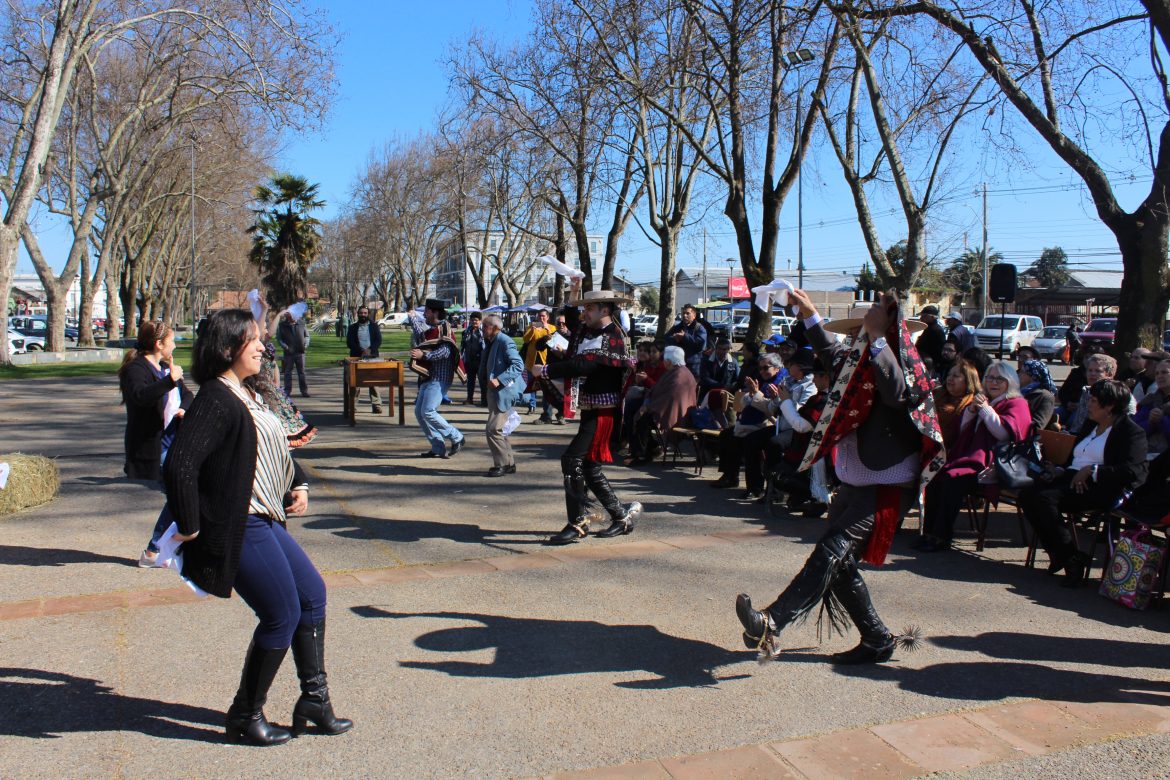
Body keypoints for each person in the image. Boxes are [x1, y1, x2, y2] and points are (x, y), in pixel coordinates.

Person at [164, 309, 351, 746]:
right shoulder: (215, 398)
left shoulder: (248, 393)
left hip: (267, 518)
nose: (263, 347)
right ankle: (244, 715)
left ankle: (314, 701)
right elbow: (181, 466)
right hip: (241, 524)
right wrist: (190, 526)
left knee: (312, 596)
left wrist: (298, 481)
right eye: (254, 341)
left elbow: (270, 445)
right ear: (228, 348)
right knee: (281, 615)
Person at [735, 290, 943, 665]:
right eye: (854, 335)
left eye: (860, 334)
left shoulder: (907, 366)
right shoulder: (858, 362)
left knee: (832, 554)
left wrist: (879, 338)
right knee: (839, 563)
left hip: (888, 483)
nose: (853, 342)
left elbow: (896, 394)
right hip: (856, 478)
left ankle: (771, 621)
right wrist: (810, 313)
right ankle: (878, 639)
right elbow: (830, 352)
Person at [1018, 379, 1147, 586]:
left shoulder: (1131, 432)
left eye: (1094, 401)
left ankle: (1069, 560)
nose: (1089, 404)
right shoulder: (1091, 425)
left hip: (1100, 487)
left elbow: (1135, 471)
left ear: (1110, 405)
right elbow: (1076, 459)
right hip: (1072, 480)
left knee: (1044, 499)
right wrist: (1060, 470)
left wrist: (1093, 471)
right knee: (1027, 495)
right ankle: (1066, 555)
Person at [540, 288, 642, 544]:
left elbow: (584, 364)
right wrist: (573, 293)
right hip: (591, 409)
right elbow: (574, 333)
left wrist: (547, 369)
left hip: (604, 412)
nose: (584, 312)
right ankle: (621, 517)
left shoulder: (613, 336)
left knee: (572, 460)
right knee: (588, 466)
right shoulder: (589, 332)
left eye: (589, 308)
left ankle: (578, 523)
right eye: (584, 308)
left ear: (604, 310)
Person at [916, 361, 1033, 552]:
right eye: (989, 378)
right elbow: (964, 432)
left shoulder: (1016, 403)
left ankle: (941, 536)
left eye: (999, 379)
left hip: (994, 466)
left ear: (1010, 382)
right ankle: (928, 533)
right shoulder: (986, 400)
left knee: (952, 480)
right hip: (972, 459)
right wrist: (971, 411)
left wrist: (985, 410)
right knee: (935, 476)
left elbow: (1003, 434)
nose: (993, 382)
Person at [119, 321, 191, 482]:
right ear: (159, 344)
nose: (174, 346)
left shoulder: (165, 367)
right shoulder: (136, 369)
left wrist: (182, 409)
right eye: (172, 341)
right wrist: (170, 380)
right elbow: (141, 396)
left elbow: (187, 395)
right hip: (149, 448)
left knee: (179, 490)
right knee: (175, 489)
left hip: (172, 441)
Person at [765, 356, 832, 515]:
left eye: (816, 376)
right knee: (775, 471)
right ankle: (804, 497)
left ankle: (815, 497)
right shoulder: (818, 398)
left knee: (779, 476)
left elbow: (802, 426)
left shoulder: (826, 400)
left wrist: (786, 401)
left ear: (826, 377)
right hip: (803, 449)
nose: (813, 379)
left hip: (816, 455)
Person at [711, 353, 787, 493]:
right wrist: (751, 394)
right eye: (760, 368)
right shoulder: (764, 379)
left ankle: (755, 487)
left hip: (768, 423)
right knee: (726, 435)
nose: (762, 371)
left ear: (777, 368)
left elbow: (771, 409)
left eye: (766, 368)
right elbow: (746, 398)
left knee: (745, 442)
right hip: (753, 421)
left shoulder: (780, 382)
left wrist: (755, 394)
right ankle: (730, 476)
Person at [408, 299, 465, 459]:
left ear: (434, 312)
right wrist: (412, 317)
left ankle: (457, 437)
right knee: (420, 413)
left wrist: (423, 354)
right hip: (428, 377)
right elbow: (422, 337)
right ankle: (438, 447)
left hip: (440, 377)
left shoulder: (445, 328)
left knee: (428, 411)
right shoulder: (432, 329)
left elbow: (446, 351)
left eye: (426, 311)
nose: (424, 314)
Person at [628, 345, 697, 465]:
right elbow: (658, 390)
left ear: (669, 361)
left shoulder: (679, 376)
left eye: (664, 359)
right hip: (668, 409)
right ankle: (650, 449)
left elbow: (668, 398)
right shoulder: (677, 371)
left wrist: (648, 407)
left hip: (676, 415)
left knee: (641, 419)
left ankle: (642, 456)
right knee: (635, 409)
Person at [479, 313, 524, 477]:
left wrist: (500, 380)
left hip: (503, 392)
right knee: (500, 430)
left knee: (493, 429)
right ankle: (509, 463)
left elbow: (518, 365)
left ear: (496, 328)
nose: (482, 329)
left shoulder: (505, 341)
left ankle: (501, 464)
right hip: (494, 392)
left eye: (486, 326)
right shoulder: (491, 342)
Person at [1068, 353, 1135, 431]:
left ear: (1110, 375)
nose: (1092, 374)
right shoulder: (1087, 391)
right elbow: (1078, 425)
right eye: (1090, 370)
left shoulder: (1120, 395)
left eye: (1097, 371)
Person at [931, 360, 979, 449]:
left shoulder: (972, 405)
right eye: (949, 375)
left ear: (969, 381)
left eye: (956, 376)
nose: (950, 378)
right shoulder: (936, 394)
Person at [346, 306, 383, 414]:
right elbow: (350, 342)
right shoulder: (352, 327)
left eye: (365, 313)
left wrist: (370, 349)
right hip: (357, 357)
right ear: (358, 314)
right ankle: (352, 406)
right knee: (355, 383)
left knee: (373, 382)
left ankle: (377, 405)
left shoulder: (374, 326)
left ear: (368, 314)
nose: (363, 315)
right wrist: (361, 351)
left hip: (372, 357)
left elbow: (378, 340)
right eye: (361, 313)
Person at [522, 308, 557, 419]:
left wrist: (547, 329)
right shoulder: (532, 326)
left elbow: (554, 341)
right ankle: (532, 406)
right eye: (539, 316)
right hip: (532, 359)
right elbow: (526, 340)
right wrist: (532, 330)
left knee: (546, 386)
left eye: (543, 316)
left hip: (545, 360)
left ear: (548, 317)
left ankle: (546, 410)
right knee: (532, 384)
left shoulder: (552, 328)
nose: (541, 318)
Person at [1134, 358, 1170, 456]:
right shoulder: (1150, 400)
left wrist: (1162, 420)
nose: (1159, 376)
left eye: (1164, 372)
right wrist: (1150, 422)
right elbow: (1135, 429)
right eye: (1157, 373)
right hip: (1148, 454)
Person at [666, 303, 708, 377]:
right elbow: (667, 339)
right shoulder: (677, 327)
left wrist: (684, 337)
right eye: (683, 313)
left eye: (687, 313)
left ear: (694, 315)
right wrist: (675, 339)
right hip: (678, 364)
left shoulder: (699, 328)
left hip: (694, 366)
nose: (685, 315)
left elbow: (700, 344)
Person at [276, 310, 310, 398]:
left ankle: (304, 391)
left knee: (301, 372)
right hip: (288, 353)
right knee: (288, 372)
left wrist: (306, 344)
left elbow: (307, 335)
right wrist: (284, 346)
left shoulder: (302, 323)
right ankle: (287, 391)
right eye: (290, 316)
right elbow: (279, 338)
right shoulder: (282, 325)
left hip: (300, 352)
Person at [1018, 358, 1057, 430]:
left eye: (1022, 372)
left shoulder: (1045, 397)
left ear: (1033, 376)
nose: (1018, 374)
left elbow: (1038, 426)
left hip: (1023, 436)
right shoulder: (1015, 391)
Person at [461, 312, 486, 406]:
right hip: (469, 360)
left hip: (480, 360)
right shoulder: (466, 331)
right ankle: (469, 398)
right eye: (472, 320)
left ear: (480, 321)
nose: (474, 322)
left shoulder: (484, 331)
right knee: (470, 381)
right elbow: (463, 345)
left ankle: (484, 400)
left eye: (476, 320)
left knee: (482, 381)